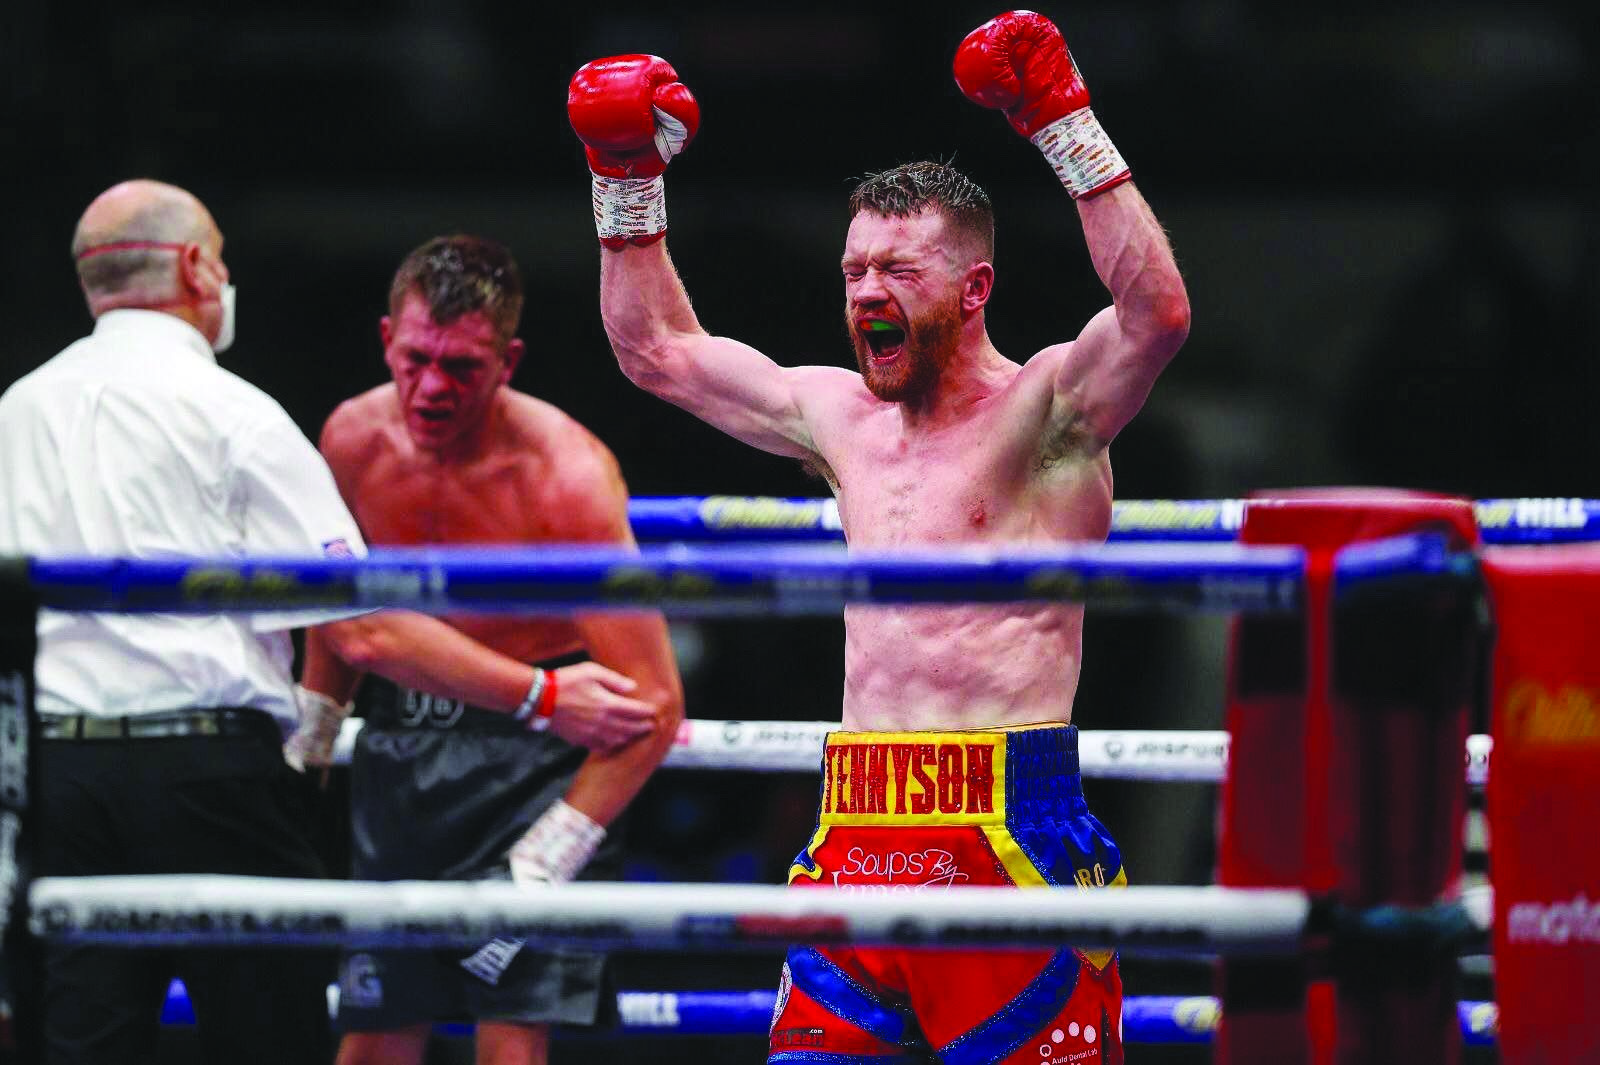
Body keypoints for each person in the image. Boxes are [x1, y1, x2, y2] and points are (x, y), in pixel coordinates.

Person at [569, 10, 1190, 1064]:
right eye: (855, 271)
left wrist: (1062, 121)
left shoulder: (1047, 414)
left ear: (973, 288)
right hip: (856, 823)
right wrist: (625, 175)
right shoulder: (837, 416)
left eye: (897, 271)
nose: (865, 294)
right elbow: (656, 351)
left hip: (1008, 827)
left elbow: (1154, 315)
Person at [292, 234, 684, 1065]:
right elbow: (343, 624)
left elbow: (655, 706)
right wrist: (311, 741)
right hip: (404, 754)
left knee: (510, 1048)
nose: (431, 387)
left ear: (507, 361)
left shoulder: (563, 477)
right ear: (385, 340)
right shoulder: (351, 441)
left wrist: (539, 865)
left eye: (462, 367)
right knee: (372, 1042)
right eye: (416, 358)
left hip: (537, 772)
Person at [0, 178, 353, 1065]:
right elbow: (348, 605)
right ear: (197, 266)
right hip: (212, 773)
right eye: (222, 259)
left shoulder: (15, 412)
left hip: (57, 775)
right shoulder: (232, 409)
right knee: (272, 1041)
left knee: (82, 1049)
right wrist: (537, 695)